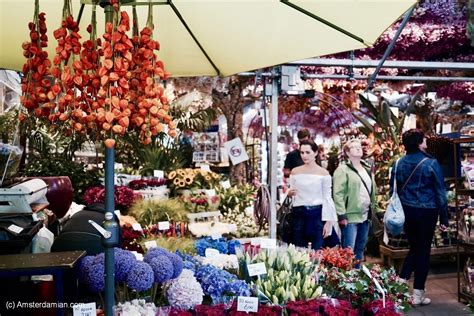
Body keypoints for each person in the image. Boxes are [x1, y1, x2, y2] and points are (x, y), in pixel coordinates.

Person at [390, 129, 448, 306]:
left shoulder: (398, 162)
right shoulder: (431, 163)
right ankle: (417, 294)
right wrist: (444, 218)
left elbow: (393, 187)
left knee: (415, 247)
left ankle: (399, 284)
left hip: (406, 211)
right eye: (424, 140)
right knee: (422, 251)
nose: (426, 143)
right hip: (427, 212)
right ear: (419, 143)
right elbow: (440, 193)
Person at [287, 139, 339, 249]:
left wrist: (329, 222)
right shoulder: (295, 172)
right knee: (298, 250)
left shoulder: (324, 173)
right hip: (299, 214)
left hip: (317, 214)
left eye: (307, 152)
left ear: (315, 153)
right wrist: (289, 193)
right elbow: (291, 193)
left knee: (318, 251)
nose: (304, 156)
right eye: (302, 152)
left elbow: (327, 198)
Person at [333, 139, 377, 267]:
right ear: (347, 152)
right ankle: (345, 278)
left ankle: (356, 277)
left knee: (360, 249)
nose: (358, 148)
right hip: (350, 216)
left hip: (365, 215)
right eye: (354, 147)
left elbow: (372, 191)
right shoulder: (342, 170)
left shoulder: (367, 169)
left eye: (359, 147)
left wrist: (375, 209)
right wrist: (341, 214)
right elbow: (338, 193)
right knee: (348, 251)